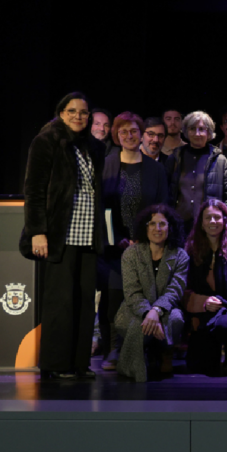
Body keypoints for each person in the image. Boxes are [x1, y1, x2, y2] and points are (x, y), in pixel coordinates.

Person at [23, 92, 106, 380]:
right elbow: (34, 191)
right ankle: (56, 364)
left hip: (87, 233)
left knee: (84, 301)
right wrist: (37, 232)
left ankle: (79, 363)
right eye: (72, 111)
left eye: (84, 112)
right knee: (60, 302)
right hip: (59, 234)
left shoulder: (93, 147)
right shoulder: (46, 141)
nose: (78, 116)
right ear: (61, 113)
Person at [99, 112, 169, 370]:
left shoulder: (156, 168)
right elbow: (101, 209)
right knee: (112, 301)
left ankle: (141, 350)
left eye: (133, 131)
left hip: (147, 247)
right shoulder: (106, 164)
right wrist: (118, 240)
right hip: (113, 247)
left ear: (141, 134)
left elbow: (162, 206)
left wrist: (143, 239)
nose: (129, 136)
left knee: (143, 298)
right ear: (116, 136)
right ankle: (111, 352)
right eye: (123, 132)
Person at [114, 205, 188, 382]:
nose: (157, 228)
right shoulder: (131, 254)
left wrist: (156, 310)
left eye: (162, 224)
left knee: (176, 319)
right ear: (145, 227)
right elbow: (132, 291)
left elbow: (175, 290)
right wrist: (148, 313)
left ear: (170, 227)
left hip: (166, 310)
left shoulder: (180, 255)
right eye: (152, 223)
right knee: (136, 325)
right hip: (134, 308)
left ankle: (164, 352)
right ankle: (134, 366)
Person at [183, 198, 227, 376]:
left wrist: (223, 304)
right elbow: (184, 288)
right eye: (208, 218)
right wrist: (204, 302)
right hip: (202, 310)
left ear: (225, 221)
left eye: (217, 217)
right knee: (199, 366)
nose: (213, 222)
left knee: (225, 325)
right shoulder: (191, 250)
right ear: (201, 223)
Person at [167, 111, 227, 231]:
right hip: (179, 226)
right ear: (186, 132)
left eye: (201, 129)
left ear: (209, 132)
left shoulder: (220, 161)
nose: (197, 133)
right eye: (192, 129)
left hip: (210, 227)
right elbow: (166, 194)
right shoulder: (176, 157)